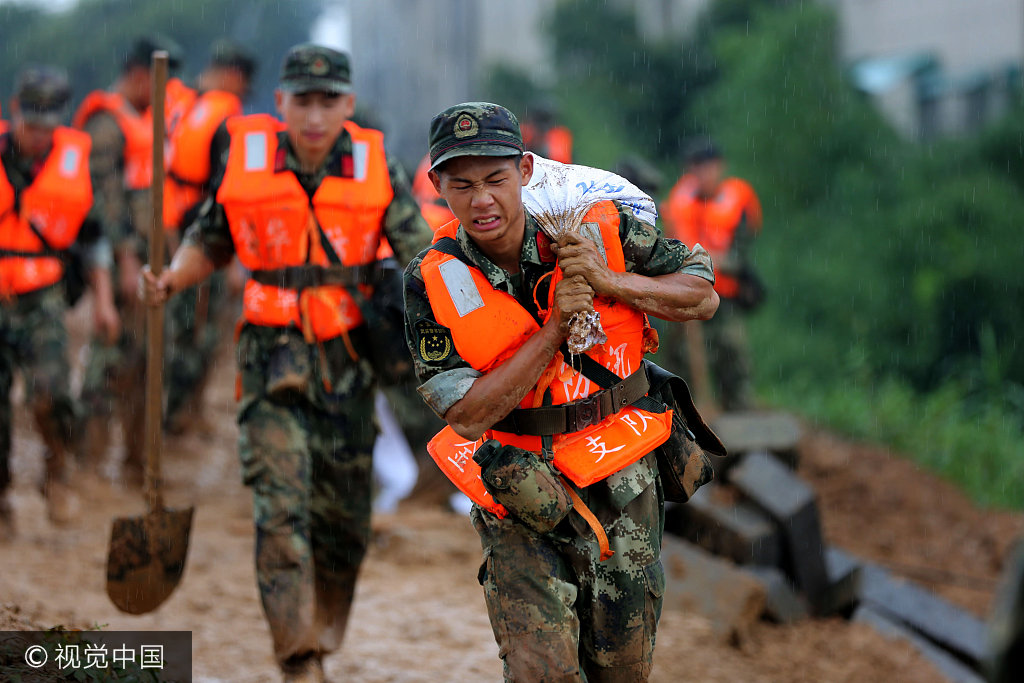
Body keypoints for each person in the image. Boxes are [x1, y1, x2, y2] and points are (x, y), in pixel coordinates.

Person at [141, 44, 432, 682]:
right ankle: (297, 656)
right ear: (280, 104)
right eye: (302, 99)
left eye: (329, 101)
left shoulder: (378, 165)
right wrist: (172, 279)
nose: (315, 114)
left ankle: (323, 625)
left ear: (348, 106)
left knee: (343, 519)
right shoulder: (244, 163)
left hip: (348, 363)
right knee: (279, 509)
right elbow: (210, 238)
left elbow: (424, 259)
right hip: (269, 357)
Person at [403, 102, 718, 681]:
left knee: (620, 670)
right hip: (520, 494)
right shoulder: (434, 279)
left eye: (496, 180)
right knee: (540, 673)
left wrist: (608, 281)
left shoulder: (595, 228)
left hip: (621, 479)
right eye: (462, 185)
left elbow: (701, 294)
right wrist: (553, 330)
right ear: (436, 184)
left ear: (525, 170)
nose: (482, 201)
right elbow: (468, 415)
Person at [0, 66, 119, 535]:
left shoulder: (74, 162)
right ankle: (1, 494)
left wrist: (105, 302)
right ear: (14, 113)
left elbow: (94, 241)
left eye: (48, 128)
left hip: (42, 295)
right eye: (31, 126)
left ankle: (56, 472)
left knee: (51, 393)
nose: (38, 137)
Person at [73, 35, 182, 482]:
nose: (167, 88)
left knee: (152, 360)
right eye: (162, 80)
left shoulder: (149, 119)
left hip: (156, 258)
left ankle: (138, 461)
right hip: (126, 261)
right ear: (141, 75)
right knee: (113, 361)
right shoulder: (107, 123)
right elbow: (106, 203)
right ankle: (90, 457)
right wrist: (121, 260)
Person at [162, 39, 256, 434]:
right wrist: (235, 264)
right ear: (235, 77)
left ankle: (176, 415)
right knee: (200, 334)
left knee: (181, 331)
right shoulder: (225, 118)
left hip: (167, 225)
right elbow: (227, 194)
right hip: (201, 237)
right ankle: (177, 418)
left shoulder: (182, 102)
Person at [661, 138, 763, 411]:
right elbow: (670, 243)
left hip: (725, 294)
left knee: (732, 351)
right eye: (696, 168)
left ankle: (739, 412)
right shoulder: (679, 200)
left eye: (707, 167)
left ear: (720, 167)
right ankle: (682, 415)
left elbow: (741, 253)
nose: (702, 174)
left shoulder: (738, 199)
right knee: (681, 357)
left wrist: (712, 260)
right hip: (686, 293)